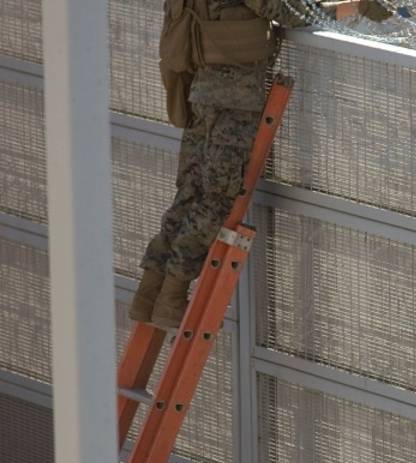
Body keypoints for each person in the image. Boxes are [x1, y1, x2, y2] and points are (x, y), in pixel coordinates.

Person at [130, 0, 393, 330]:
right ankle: (171, 297)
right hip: (234, 99)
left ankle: (149, 293)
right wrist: (356, 6)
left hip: (201, 89)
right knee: (216, 200)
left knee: (191, 193)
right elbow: (287, 11)